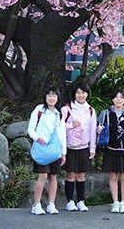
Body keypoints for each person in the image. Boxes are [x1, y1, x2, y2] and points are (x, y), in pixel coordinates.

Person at [97, 88, 124, 214]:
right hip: (110, 149)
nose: (118, 99)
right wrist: (98, 130)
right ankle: (115, 202)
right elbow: (99, 129)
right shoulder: (106, 113)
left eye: (121, 97)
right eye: (116, 97)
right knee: (113, 177)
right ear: (112, 99)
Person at [27, 86, 67, 215]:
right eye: (49, 95)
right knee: (43, 175)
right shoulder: (39, 110)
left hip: (55, 150)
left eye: (54, 95)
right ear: (45, 97)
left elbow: (62, 133)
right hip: (41, 148)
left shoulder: (59, 113)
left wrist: (63, 152)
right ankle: (36, 204)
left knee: (53, 177)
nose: (51, 98)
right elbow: (30, 129)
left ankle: (51, 204)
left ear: (58, 98)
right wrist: (38, 139)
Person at [61, 80, 96, 212]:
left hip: (84, 147)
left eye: (83, 92)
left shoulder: (91, 110)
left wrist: (92, 148)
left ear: (87, 94)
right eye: (78, 92)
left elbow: (93, 131)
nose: (81, 95)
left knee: (81, 175)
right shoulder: (66, 108)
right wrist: (71, 125)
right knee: (70, 175)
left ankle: (81, 201)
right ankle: (69, 201)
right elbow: (58, 127)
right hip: (70, 147)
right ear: (74, 94)